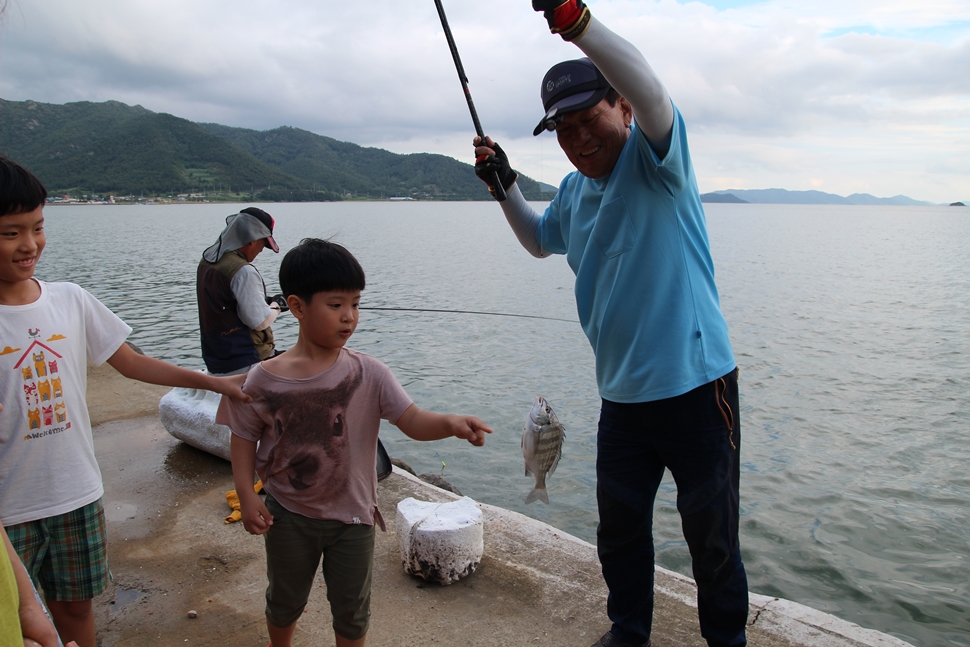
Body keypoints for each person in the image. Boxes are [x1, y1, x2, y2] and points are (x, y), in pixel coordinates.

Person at [472, 3, 748, 646]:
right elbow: (541, 241)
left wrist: (576, 22)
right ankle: (629, 632)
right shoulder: (573, 191)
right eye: (563, 129)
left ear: (621, 108)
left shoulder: (658, 164)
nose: (578, 137)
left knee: (711, 535)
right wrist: (504, 184)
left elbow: (651, 87)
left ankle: (726, 642)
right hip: (621, 400)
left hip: (697, 390)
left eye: (589, 117)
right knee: (619, 531)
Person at [0, 154, 251, 647]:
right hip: (9, 510)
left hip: (75, 491)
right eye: (10, 233)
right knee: (13, 621)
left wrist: (216, 382)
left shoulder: (69, 299)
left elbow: (132, 362)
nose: (30, 245)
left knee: (76, 611)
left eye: (38, 227)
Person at [217, 238, 492, 647]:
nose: (349, 317)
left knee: (352, 610)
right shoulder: (263, 378)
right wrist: (246, 492)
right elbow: (243, 437)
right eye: (335, 305)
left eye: (356, 304)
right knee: (285, 599)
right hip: (289, 515)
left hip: (354, 518)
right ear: (296, 306)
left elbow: (411, 420)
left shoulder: (370, 373)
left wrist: (451, 422)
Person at [197, 207, 283, 375]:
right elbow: (259, 321)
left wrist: (263, 301)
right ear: (251, 239)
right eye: (263, 244)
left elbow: (226, 303)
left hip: (218, 361)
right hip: (246, 362)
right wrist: (277, 305)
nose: (260, 251)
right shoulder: (243, 271)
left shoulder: (207, 263)